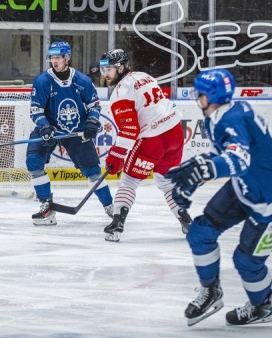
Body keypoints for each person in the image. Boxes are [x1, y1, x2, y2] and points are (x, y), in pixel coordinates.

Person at [166, 69, 272, 326]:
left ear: (209, 96)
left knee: (246, 261)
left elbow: (239, 160)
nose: (195, 96)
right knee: (200, 233)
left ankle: (261, 306)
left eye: (198, 92)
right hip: (245, 187)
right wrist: (198, 174)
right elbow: (227, 157)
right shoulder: (222, 114)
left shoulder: (229, 119)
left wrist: (206, 168)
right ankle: (211, 291)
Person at [99, 49, 189, 242]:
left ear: (121, 68)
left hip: (153, 139)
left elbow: (130, 129)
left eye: (109, 69)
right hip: (175, 133)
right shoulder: (144, 76)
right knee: (166, 182)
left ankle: (117, 225)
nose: (105, 74)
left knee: (129, 181)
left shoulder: (121, 91)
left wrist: (116, 156)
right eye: (103, 69)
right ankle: (187, 221)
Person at [28, 41, 113, 226]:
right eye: (52, 57)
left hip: (76, 130)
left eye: (58, 57)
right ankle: (46, 207)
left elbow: (94, 105)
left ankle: (111, 207)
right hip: (50, 129)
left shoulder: (82, 80)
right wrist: (43, 126)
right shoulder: (42, 81)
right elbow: (35, 110)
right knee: (33, 163)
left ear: (67, 58)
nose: (55, 61)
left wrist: (92, 121)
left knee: (92, 171)